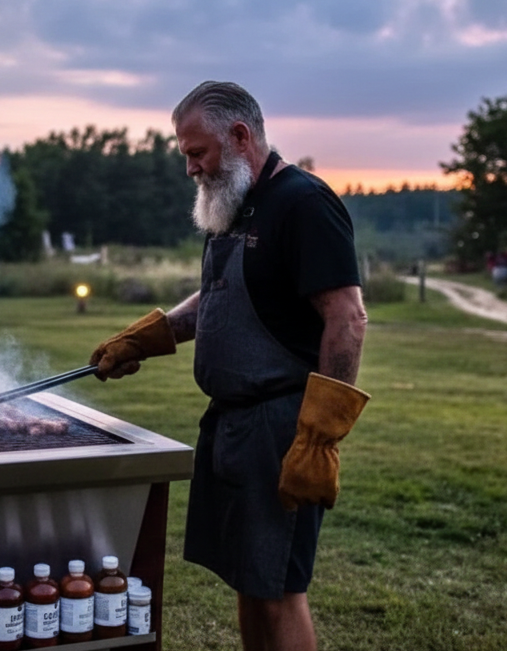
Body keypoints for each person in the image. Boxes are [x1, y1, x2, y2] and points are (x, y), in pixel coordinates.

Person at [89, 81, 370, 651]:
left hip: (280, 427)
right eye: (186, 155)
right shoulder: (235, 205)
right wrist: (148, 337)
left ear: (240, 137)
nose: (191, 168)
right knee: (249, 580)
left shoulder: (302, 203)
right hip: (232, 422)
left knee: (281, 589)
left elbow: (347, 315)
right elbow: (220, 297)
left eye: (198, 153)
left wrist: (318, 438)